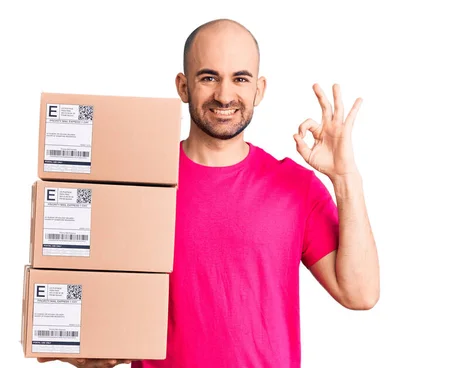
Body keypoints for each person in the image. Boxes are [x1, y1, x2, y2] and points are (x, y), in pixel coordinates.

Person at [37, 18, 379, 368]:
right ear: (183, 86)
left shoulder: (296, 187)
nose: (225, 95)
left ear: (259, 90)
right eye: (209, 77)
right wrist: (90, 345)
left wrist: (345, 178)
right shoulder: (138, 185)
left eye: (240, 78)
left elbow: (360, 293)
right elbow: (88, 282)